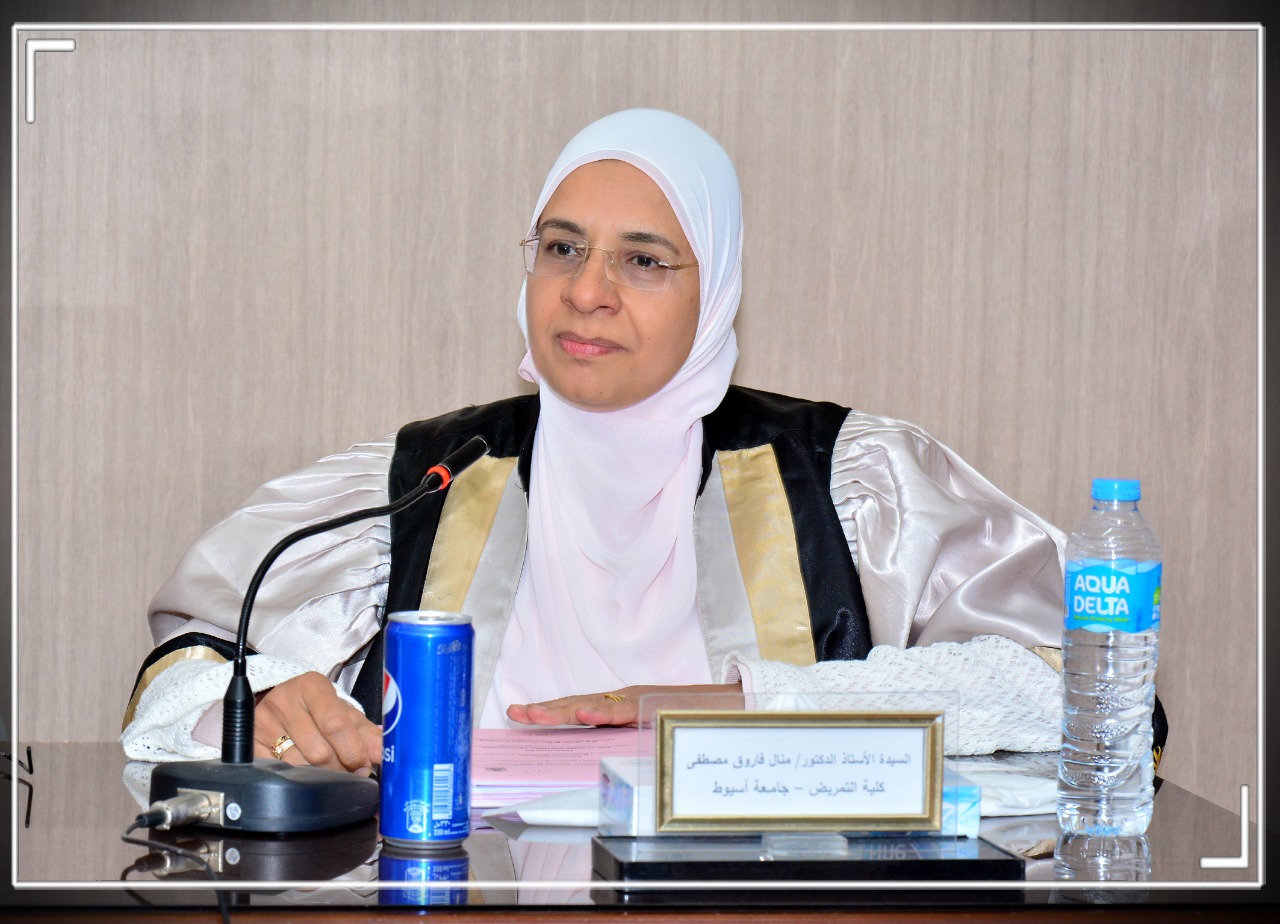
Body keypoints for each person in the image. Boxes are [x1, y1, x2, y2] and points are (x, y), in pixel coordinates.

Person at [122, 109, 1070, 778]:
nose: (586, 293)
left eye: (644, 261)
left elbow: (1067, 686)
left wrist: (747, 706)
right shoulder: (428, 479)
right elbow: (185, 671)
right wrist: (262, 709)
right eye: (562, 248)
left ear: (717, 290)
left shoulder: (842, 478)